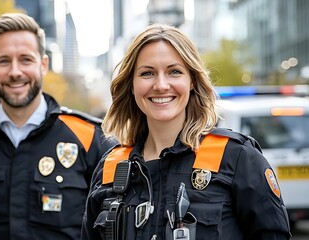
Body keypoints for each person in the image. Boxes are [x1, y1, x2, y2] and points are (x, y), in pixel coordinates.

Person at [81, 23, 291, 240]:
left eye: (174, 72)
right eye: (147, 73)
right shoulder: (110, 168)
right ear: (131, 85)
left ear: (192, 81)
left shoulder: (236, 158)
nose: (161, 85)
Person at [0, 13, 116, 240]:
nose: (15, 71)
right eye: (4, 61)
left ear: (43, 65)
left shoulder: (90, 138)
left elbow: (115, 230)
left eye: (25, 59)